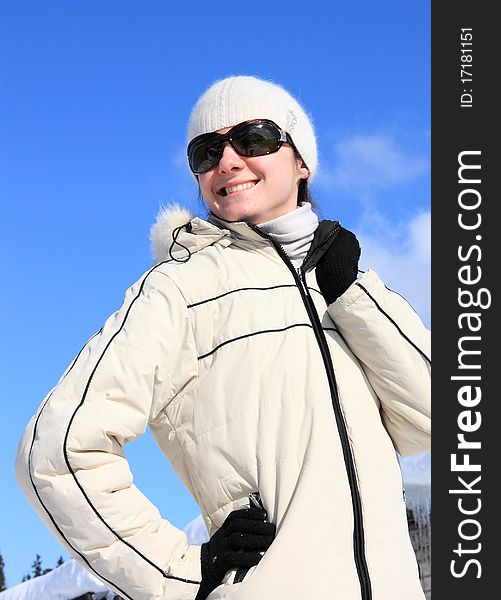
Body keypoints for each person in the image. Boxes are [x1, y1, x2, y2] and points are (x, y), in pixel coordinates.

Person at [16, 75, 431, 600]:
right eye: (207, 151)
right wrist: (177, 573)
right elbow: (54, 451)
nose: (229, 161)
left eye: (255, 138)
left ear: (301, 161)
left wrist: (354, 295)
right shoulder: (181, 287)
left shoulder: (343, 283)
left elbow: (434, 418)